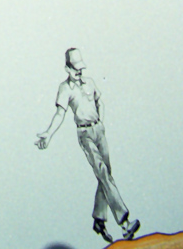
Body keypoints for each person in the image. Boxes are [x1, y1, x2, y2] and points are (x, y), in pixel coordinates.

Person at [36, 48, 140, 244]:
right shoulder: (65, 88)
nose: (79, 72)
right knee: (103, 173)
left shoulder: (90, 82)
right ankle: (125, 222)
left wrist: (101, 122)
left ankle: (99, 220)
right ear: (67, 68)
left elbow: (100, 101)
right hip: (84, 134)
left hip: (98, 130)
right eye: (75, 68)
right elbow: (60, 114)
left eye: (80, 68)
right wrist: (48, 134)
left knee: (106, 175)